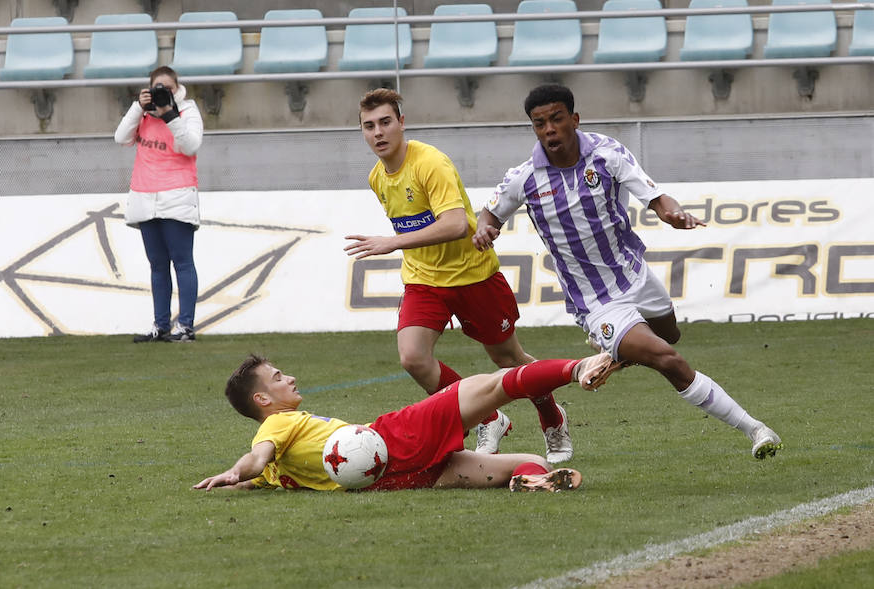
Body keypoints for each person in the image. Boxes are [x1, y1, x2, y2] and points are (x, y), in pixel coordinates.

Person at [473, 84, 782, 460]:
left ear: (574, 119)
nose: (549, 130)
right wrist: (484, 229)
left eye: (556, 119)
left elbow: (655, 196)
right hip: (595, 300)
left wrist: (672, 213)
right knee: (668, 359)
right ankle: (755, 429)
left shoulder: (607, 154)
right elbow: (488, 213)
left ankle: (613, 352)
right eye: (540, 124)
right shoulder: (525, 178)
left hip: (634, 275)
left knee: (671, 334)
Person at [343, 88, 573, 463]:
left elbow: (455, 225)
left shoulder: (430, 163)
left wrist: (393, 242)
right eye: (368, 126)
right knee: (413, 358)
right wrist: (402, 247)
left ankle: (551, 416)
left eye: (385, 122)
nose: (378, 133)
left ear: (402, 123)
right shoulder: (377, 177)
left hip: (472, 276)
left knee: (508, 358)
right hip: (424, 280)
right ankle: (488, 417)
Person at [193, 351, 621, 493]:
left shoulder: (278, 465)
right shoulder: (277, 426)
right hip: (392, 438)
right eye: (278, 377)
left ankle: (531, 484)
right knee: (489, 386)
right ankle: (579, 367)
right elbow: (255, 458)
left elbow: (261, 473)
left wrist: (239, 484)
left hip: (392, 478)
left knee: (530, 461)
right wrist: (234, 472)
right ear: (264, 399)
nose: (290, 378)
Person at [115, 65, 203, 343]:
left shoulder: (188, 112)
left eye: (169, 89)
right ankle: (161, 325)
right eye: (158, 89)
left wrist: (170, 115)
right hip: (145, 195)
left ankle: (186, 327)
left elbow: (190, 146)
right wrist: (137, 108)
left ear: (178, 89)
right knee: (157, 265)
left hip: (176, 196)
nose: (164, 94)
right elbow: (121, 138)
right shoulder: (142, 114)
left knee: (182, 262)